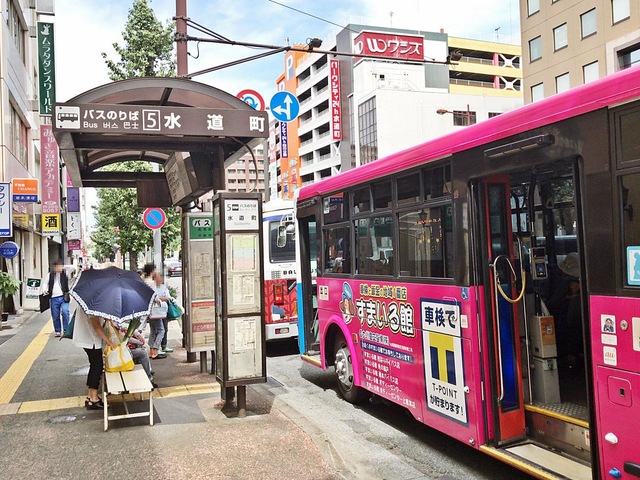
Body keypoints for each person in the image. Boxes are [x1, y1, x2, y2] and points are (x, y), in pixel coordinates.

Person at [72, 309, 116, 409]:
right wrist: (108, 342)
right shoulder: (92, 305)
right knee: (97, 367)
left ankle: (90, 396)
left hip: (87, 339)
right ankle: (94, 399)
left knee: (94, 366)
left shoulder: (87, 303)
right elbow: (96, 325)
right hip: (91, 340)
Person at [116, 323, 158, 388]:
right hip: (119, 351)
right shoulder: (112, 324)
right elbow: (123, 337)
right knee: (142, 353)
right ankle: (148, 377)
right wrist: (139, 341)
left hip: (122, 348)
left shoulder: (115, 323)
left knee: (143, 350)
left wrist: (137, 334)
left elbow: (125, 329)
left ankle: (147, 372)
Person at [41, 260, 71, 337]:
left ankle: (66, 329)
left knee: (65, 312)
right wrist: (44, 289)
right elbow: (45, 283)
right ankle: (58, 331)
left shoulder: (65, 274)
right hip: (53, 298)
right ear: (54, 267)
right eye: (58, 266)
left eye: (61, 266)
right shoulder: (50, 275)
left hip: (64, 297)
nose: (59, 268)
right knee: (55, 315)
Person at [149, 272, 167, 360]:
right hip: (156, 311)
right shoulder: (153, 286)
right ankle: (155, 350)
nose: (160, 279)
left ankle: (151, 351)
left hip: (151, 311)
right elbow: (156, 297)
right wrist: (161, 300)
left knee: (153, 330)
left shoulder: (151, 284)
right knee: (161, 330)